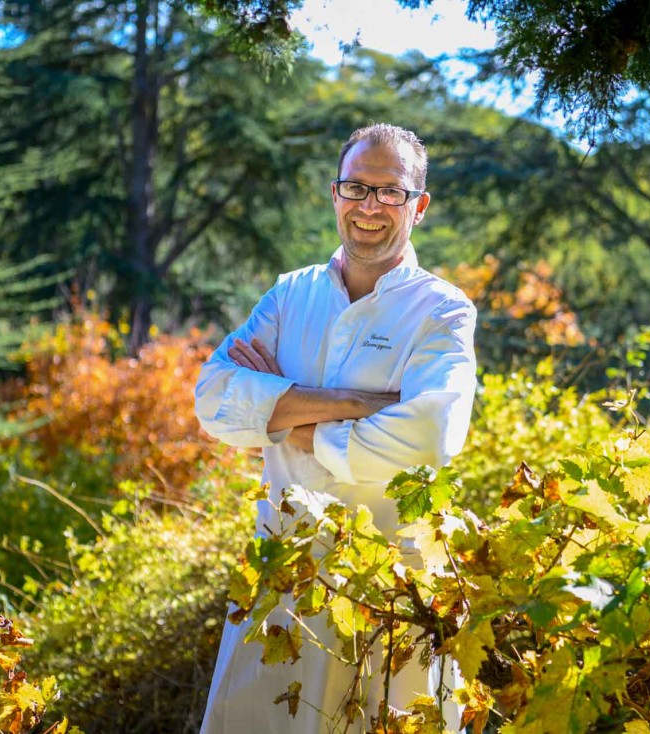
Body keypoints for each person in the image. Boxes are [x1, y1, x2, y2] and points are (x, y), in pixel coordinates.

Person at [194, 123, 478, 733]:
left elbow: (432, 434)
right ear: (335, 194)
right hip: (278, 582)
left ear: (419, 206)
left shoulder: (442, 309)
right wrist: (353, 402)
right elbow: (214, 399)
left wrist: (281, 417)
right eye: (356, 187)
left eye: (390, 192)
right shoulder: (290, 294)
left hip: (386, 587)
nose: (369, 206)